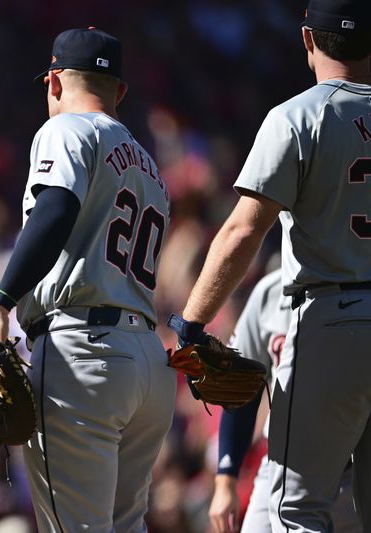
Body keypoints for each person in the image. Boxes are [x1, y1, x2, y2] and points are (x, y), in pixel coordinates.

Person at [171, 1, 371, 530]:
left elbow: (242, 230)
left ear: (308, 40)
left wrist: (190, 322)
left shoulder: (298, 116)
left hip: (332, 314)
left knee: (295, 509)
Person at [0, 27, 175, 531]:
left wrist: (0, 303)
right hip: (146, 363)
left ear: (55, 81)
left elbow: (56, 208)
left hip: (83, 354)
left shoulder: (67, 129)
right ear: (120, 92)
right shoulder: (149, 166)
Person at [208, 268, 361, 533]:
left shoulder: (362, 287)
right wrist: (226, 479)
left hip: (357, 466)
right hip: (285, 466)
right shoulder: (270, 291)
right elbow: (242, 387)